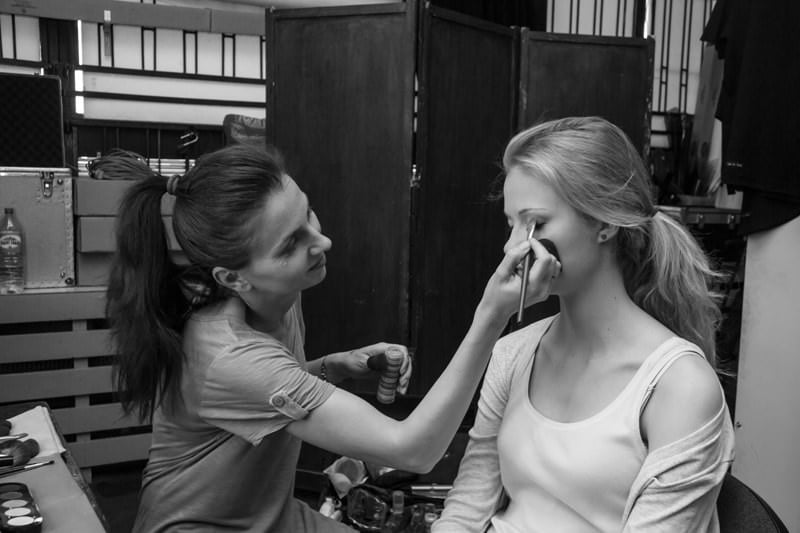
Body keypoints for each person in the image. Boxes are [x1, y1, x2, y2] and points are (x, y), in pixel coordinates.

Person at [105, 143, 561, 532]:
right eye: (291, 244)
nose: (321, 242)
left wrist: (333, 367)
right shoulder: (229, 355)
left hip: (271, 515)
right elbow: (414, 450)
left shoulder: (278, 294)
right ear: (233, 277)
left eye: (308, 214)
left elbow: (262, 402)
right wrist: (492, 315)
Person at [433, 116, 735, 533]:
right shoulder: (513, 354)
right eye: (510, 224)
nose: (512, 246)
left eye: (535, 223)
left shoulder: (679, 387)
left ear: (605, 223)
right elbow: (465, 511)